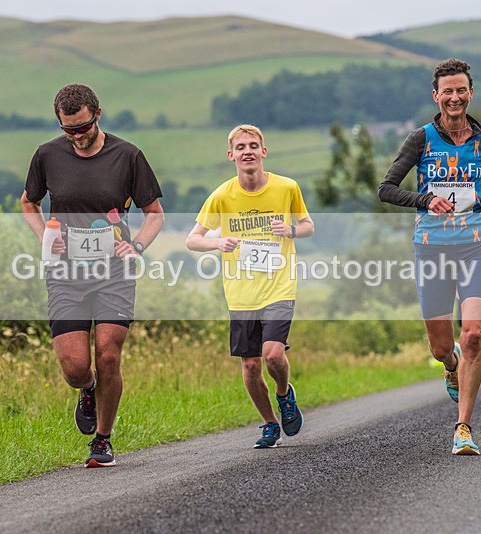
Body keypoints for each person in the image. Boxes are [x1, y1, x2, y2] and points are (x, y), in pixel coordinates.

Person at [21, 84, 164, 468]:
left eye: (83, 127)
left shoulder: (128, 156)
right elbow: (29, 203)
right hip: (66, 273)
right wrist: (45, 238)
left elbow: (155, 214)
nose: (77, 136)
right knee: (74, 367)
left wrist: (137, 246)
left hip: (114, 271)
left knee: (108, 355)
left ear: (98, 114)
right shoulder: (47, 155)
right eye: (68, 130)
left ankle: (102, 439)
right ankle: (87, 388)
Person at [378, 58, 481, 455]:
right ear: (436, 95)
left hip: (476, 245)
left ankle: (463, 427)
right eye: (447, 91)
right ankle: (451, 366)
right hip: (432, 248)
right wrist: (425, 200)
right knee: (441, 347)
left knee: (473, 335)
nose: (455, 97)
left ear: (471, 93)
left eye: (461, 90)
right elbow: (386, 188)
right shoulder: (420, 139)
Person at [186, 124, 314, 449]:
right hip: (240, 292)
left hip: (279, 286)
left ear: (263, 152)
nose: (248, 152)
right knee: (251, 364)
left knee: (272, 355)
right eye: (241, 147)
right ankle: (270, 423)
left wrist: (290, 230)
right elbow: (193, 239)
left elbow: (308, 225)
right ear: (231, 155)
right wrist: (218, 243)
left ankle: (284, 393)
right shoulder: (222, 195)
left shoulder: (287, 187)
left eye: (253, 146)